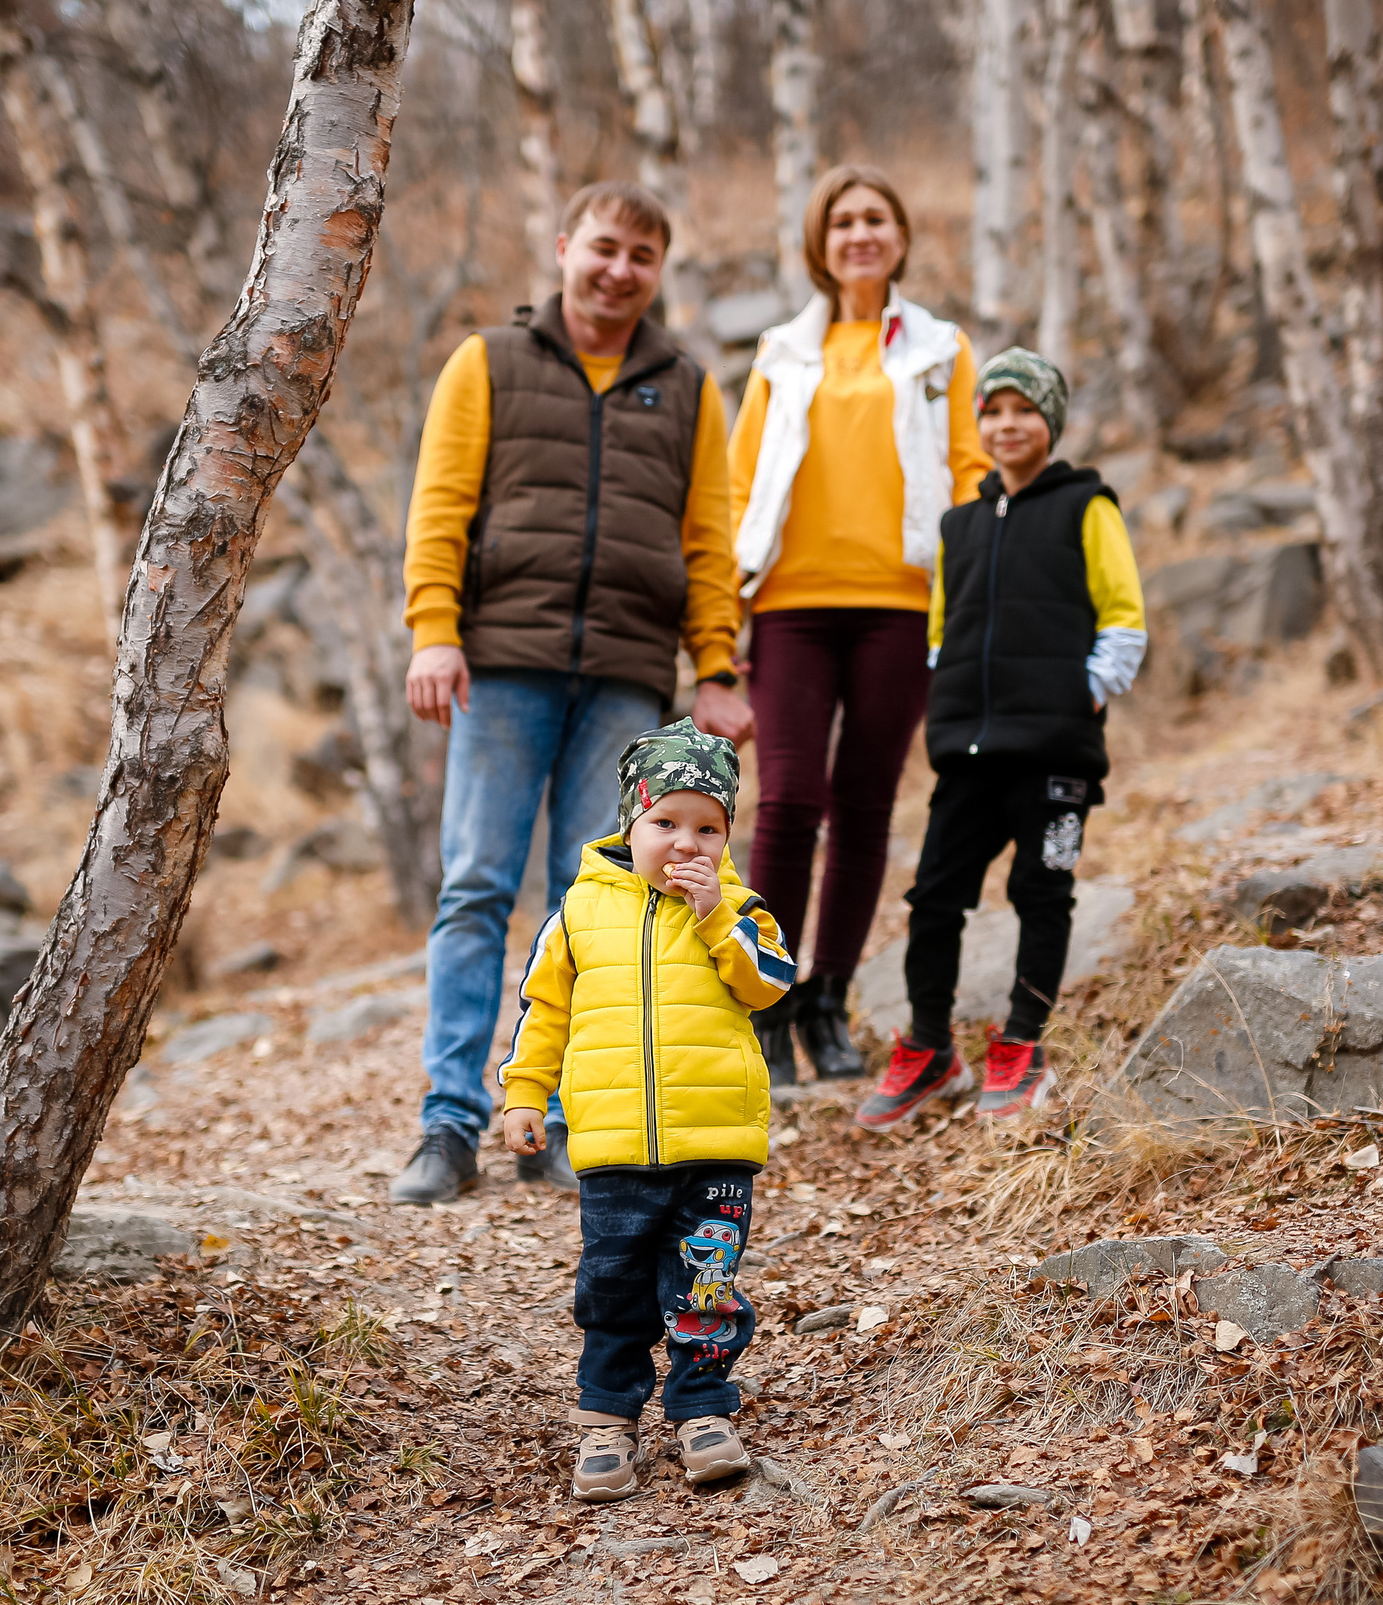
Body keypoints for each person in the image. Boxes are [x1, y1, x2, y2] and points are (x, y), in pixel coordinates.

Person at [392, 182, 753, 1207]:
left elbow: (709, 540)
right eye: (603, 247)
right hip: (502, 661)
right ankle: (448, 1124)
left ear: (657, 271)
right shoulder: (489, 363)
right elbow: (441, 506)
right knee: (474, 887)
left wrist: (715, 666)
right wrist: (434, 631)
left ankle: (550, 1121)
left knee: (589, 900)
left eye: (642, 256)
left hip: (628, 674)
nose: (618, 270)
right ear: (562, 249)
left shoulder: (687, 386)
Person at [726, 165, 992, 1087]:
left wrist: (970, 600)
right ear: (820, 242)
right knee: (791, 798)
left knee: (866, 806)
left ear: (901, 235)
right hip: (791, 604)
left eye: (877, 217)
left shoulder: (941, 349)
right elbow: (740, 480)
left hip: (901, 603)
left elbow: (969, 470)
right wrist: (726, 614)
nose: (860, 234)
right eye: (843, 222)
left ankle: (828, 1000)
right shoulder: (780, 352)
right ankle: (767, 1002)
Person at [498, 719, 794, 1501]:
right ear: (629, 824)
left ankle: (702, 1408)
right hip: (614, 1145)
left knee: (705, 1282)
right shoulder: (580, 910)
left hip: (717, 1142)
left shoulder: (740, 909)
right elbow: (543, 1011)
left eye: (707, 827)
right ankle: (607, 1417)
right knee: (614, 1281)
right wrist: (526, 1093)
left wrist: (714, 919)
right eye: (665, 822)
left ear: (728, 836)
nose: (684, 843)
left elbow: (769, 984)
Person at [855, 348, 1146, 1130]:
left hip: (1054, 754)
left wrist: (1075, 697)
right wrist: (949, 703)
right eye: (994, 410)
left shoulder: (1089, 507)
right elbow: (943, 634)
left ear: (1050, 421)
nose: (1008, 424)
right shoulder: (961, 524)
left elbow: (1122, 618)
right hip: (970, 754)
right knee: (934, 897)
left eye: (1026, 410)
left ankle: (1023, 1041)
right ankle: (927, 1044)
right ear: (978, 421)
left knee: (1040, 892)